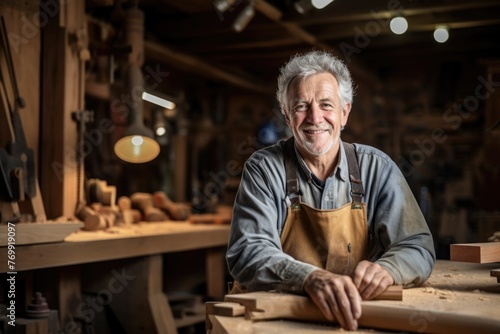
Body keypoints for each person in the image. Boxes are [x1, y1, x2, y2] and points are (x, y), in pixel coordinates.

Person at [226, 50, 436, 331]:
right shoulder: (264, 169)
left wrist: (389, 269)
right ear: (288, 116)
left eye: (326, 104)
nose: (315, 117)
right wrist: (309, 278)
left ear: (344, 112)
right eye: (301, 106)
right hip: (275, 319)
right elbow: (247, 252)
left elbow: (417, 246)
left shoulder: (376, 168)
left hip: (349, 318)